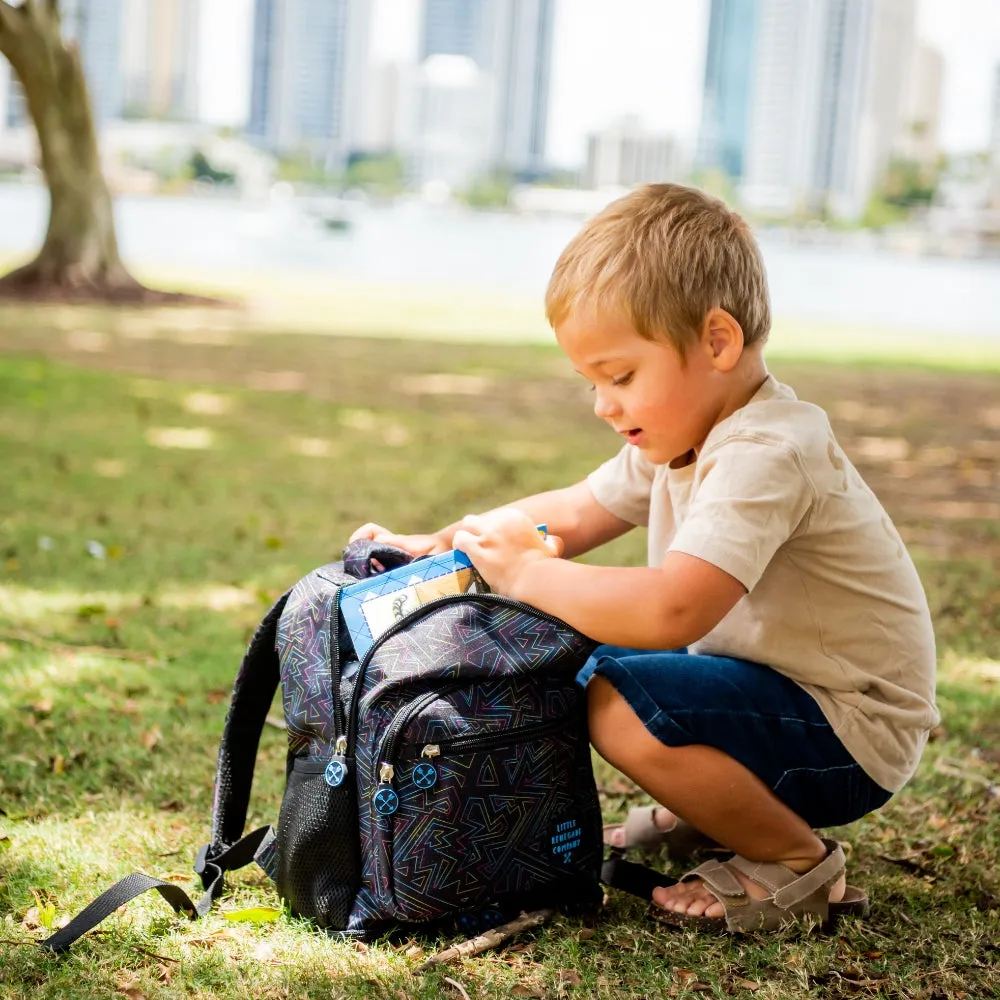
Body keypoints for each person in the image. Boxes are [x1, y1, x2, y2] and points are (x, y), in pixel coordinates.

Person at [349, 184, 938, 932]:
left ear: (717, 342)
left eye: (621, 376)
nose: (602, 404)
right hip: (786, 697)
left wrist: (529, 573)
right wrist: (448, 541)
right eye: (591, 382)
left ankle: (793, 860)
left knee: (619, 700)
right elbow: (574, 509)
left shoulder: (767, 451)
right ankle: (720, 807)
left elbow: (674, 609)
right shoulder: (685, 439)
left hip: (851, 732)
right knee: (586, 651)